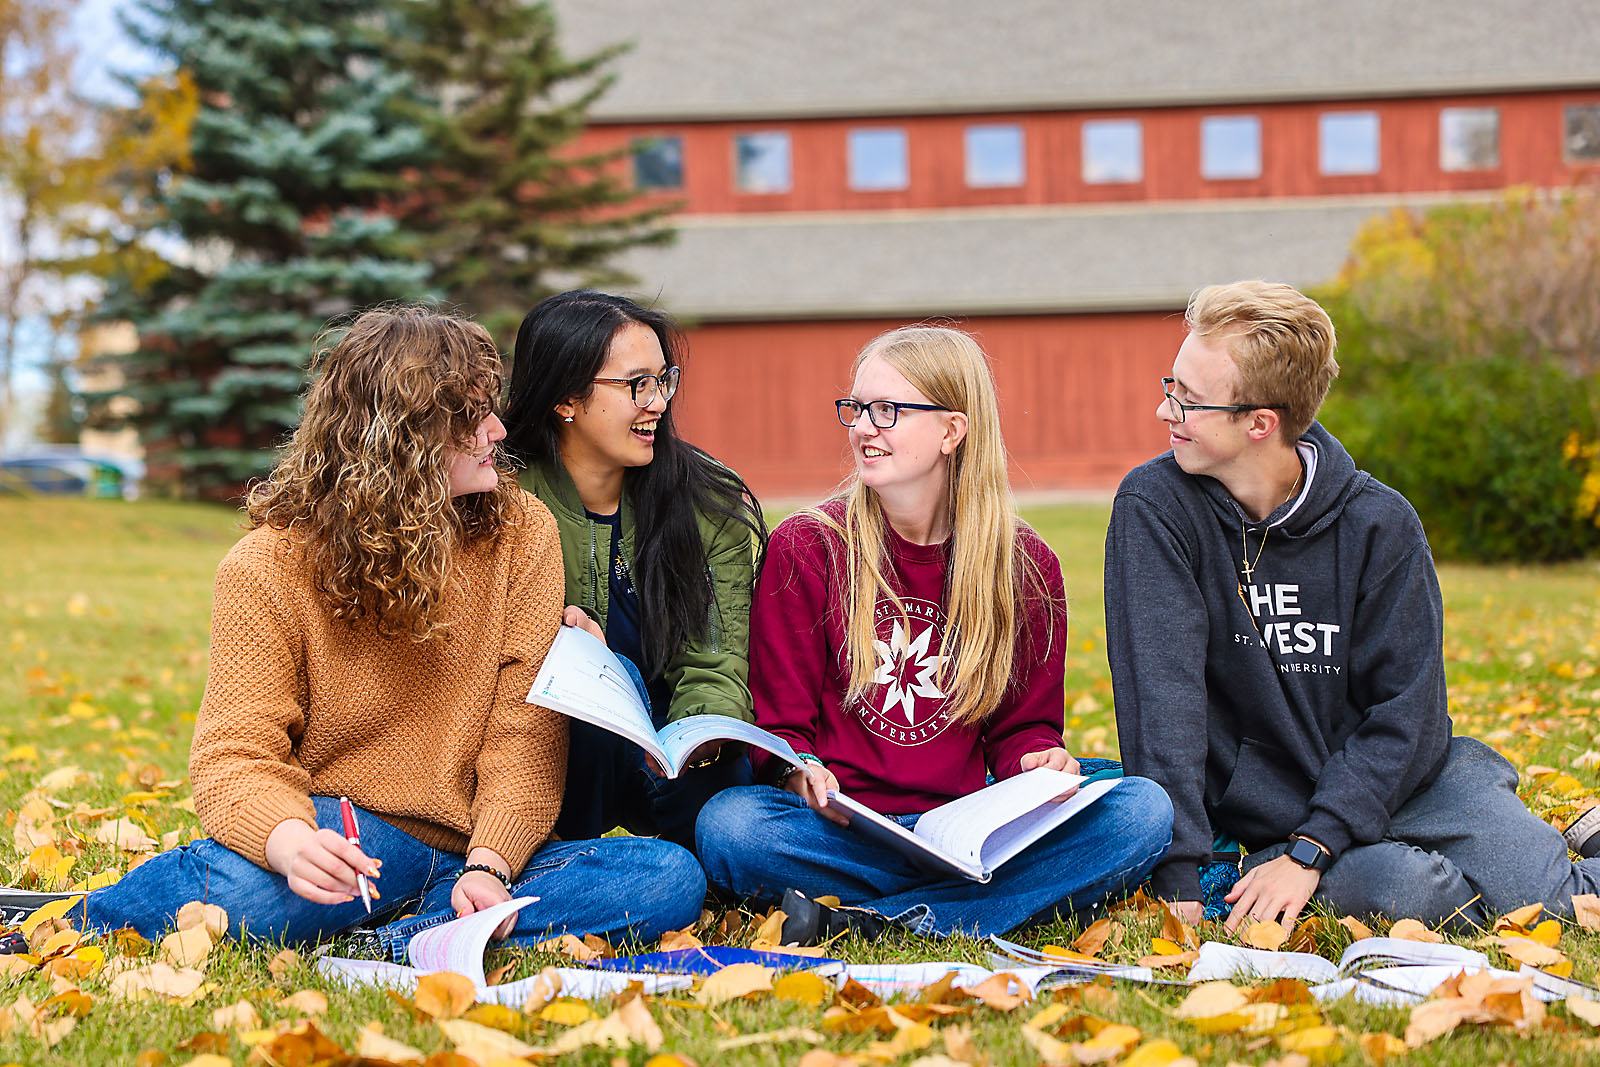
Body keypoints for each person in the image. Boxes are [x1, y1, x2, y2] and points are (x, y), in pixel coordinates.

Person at [0, 307, 705, 955]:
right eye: (473, 416)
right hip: (344, 833)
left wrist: (492, 862)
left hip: (477, 848)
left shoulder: (525, 535)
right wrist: (287, 840)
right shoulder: (268, 564)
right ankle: (73, 919)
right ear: (404, 434)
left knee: (663, 878)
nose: (498, 430)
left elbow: (524, 737)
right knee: (253, 893)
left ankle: (398, 934)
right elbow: (233, 753)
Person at [1105, 279, 1600, 932]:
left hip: (1412, 783)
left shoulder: (1381, 524)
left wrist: (1315, 849)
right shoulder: (1156, 511)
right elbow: (1161, 700)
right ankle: (1431, 865)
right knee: (1409, 893)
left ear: (1260, 423)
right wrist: (1179, 872)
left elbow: (1408, 710)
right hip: (1273, 808)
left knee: (1562, 906)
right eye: (1174, 385)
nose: (1164, 411)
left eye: (1188, 400)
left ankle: (1557, 842)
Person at [695, 325, 1173, 944]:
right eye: (857, 409)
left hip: (967, 817)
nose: (865, 427)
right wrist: (800, 770)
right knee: (730, 826)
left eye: (888, 411)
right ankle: (970, 910)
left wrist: (1037, 758)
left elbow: (1021, 730)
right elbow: (780, 729)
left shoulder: (1023, 566)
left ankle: (881, 921)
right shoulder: (809, 547)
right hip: (842, 827)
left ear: (952, 431)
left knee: (1140, 809)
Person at [501, 291, 767, 853]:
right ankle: (559, 851)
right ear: (565, 398)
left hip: (670, 757)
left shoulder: (705, 500)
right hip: (550, 757)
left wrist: (697, 740)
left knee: (726, 792)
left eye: (663, 380)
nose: (658, 404)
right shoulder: (505, 503)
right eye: (635, 385)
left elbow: (716, 662)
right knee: (597, 671)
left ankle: (667, 855)